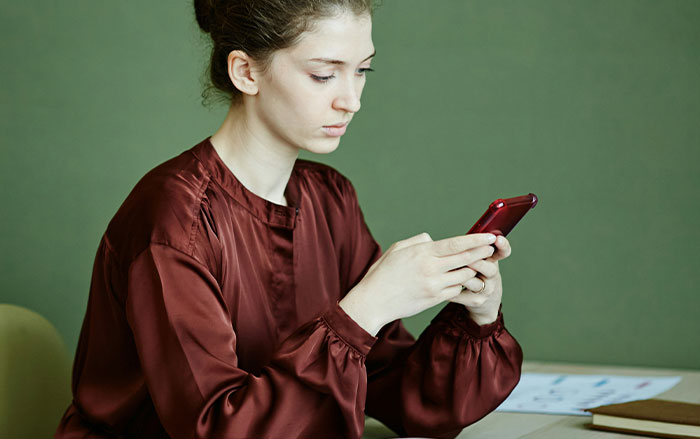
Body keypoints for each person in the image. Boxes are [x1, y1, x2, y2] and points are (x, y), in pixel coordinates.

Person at [55, 1, 523, 438]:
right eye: (323, 75)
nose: (352, 100)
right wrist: (366, 308)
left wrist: (477, 316)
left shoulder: (330, 198)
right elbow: (216, 428)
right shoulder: (173, 221)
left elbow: (397, 392)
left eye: (362, 71)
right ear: (245, 72)